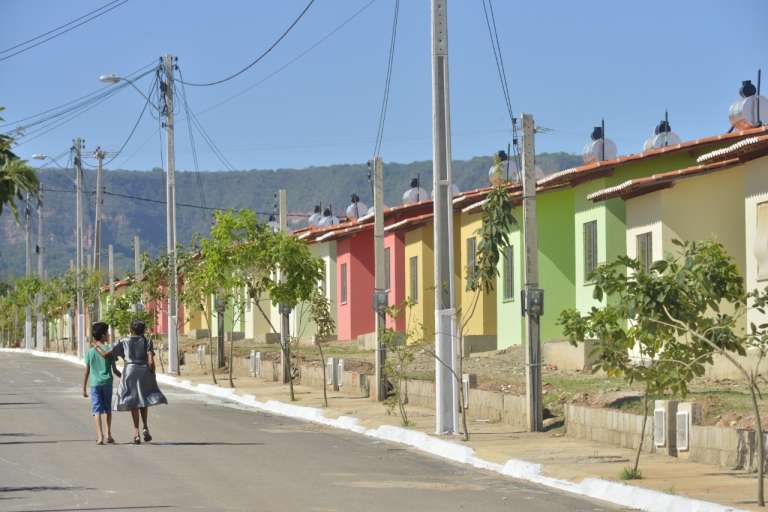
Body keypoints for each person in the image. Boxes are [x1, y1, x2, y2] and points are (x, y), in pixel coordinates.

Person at [92, 319, 168, 444]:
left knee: (134, 402)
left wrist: (95, 346)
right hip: (144, 371)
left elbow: (106, 354)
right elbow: (150, 361)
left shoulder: (123, 341)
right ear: (143, 330)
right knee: (144, 400)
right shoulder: (147, 341)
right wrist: (152, 374)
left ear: (131, 330)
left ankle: (136, 432)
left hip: (130, 371)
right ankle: (145, 427)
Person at [83, 321, 121, 445]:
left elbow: (87, 371)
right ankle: (108, 434)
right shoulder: (109, 349)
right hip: (107, 383)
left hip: (95, 384)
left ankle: (99, 436)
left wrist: (83, 388)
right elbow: (115, 370)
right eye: (108, 333)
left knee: (96, 410)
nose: (109, 335)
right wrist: (124, 378)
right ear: (104, 335)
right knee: (108, 409)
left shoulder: (91, 351)